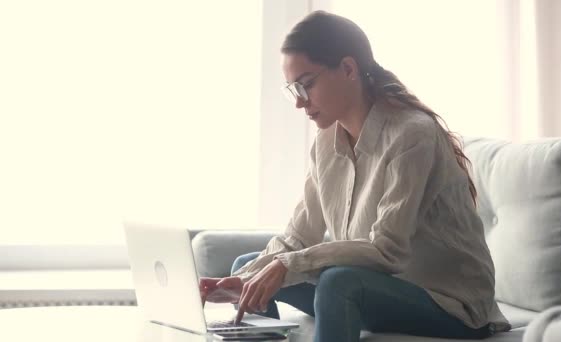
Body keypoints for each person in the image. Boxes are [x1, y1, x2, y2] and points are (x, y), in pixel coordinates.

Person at [199, 10, 510, 342]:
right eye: (293, 89)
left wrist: (289, 265)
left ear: (348, 69)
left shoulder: (412, 134)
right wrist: (243, 278)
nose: (299, 103)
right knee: (250, 268)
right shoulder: (326, 143)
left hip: (450, 305)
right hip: (377, 290)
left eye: (306, 84)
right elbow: (298, 237)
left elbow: (386, 250)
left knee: (338, 283)